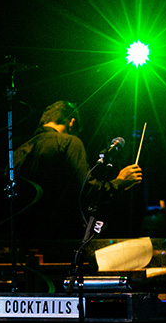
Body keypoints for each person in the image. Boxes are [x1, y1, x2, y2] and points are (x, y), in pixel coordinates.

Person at [13, 101, 143, 238]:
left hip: (25, 236)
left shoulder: (20, 150)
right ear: (72, 122)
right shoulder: (69, 142)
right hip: (62, 235)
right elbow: (87, 190)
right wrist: (121, 181)